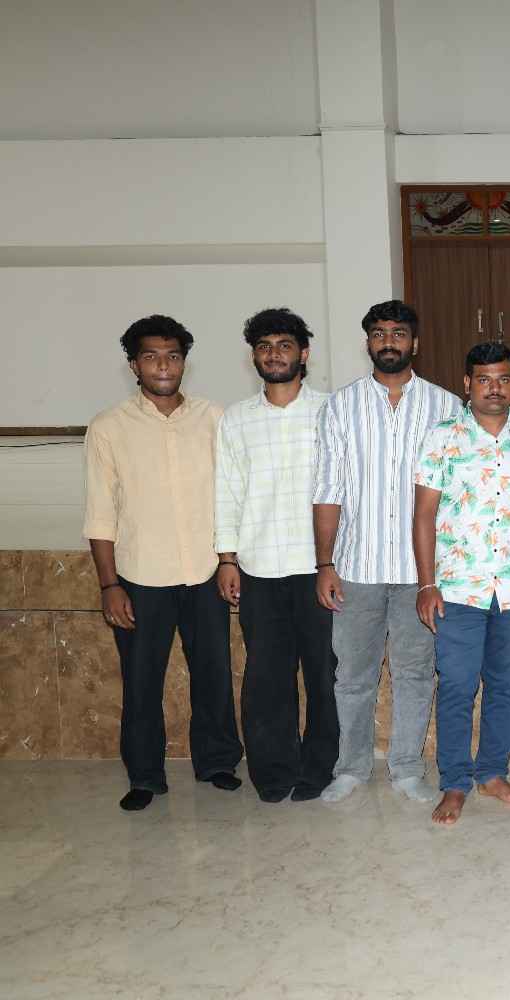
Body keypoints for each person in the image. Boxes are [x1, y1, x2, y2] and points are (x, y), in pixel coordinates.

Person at [84, 315, 242, 811]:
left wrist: (228, 559)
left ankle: (217, 762)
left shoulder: (214, 418)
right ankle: (145, 776)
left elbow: (230, 496)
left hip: (205, 572)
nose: (163, 366)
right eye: (151, 357)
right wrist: (110, 585)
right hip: (139, 577)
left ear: (184, 362)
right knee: (141, 681)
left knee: (213, 674)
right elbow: (100, 512)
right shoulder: (109, 427)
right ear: (134, 365)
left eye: (172, 356)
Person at [313, 300, 461, 804]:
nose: (388, 341)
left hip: (421, 573)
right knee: (352, 677)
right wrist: (325, 563)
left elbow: (455, 495)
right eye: (379, 333)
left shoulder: (446, 407)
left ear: (414, 342)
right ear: (368, 343)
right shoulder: (341, 406)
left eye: (398, 333)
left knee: (415, 675)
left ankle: (406, 769)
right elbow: (327, 489)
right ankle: (351, 768)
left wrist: (441, 573)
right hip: (356, 567)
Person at [414, 342, 510, 826]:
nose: (493, 388)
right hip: (457, 588)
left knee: (503, 686)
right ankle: (455, 782)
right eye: (483, 379)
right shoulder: (442, 437)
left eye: (503, 379)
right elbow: (424, 515)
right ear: (467, 384)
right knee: (456, 685)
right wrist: (426, 585)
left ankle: (493, 773)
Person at [215, 307, 336, 803]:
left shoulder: (331, 411)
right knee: (267, 677)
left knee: (324, 676)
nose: (273, 354)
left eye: (284, 345)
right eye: (264, 347)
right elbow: (226, 492)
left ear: (304, 353)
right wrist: (227, 558)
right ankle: (273, 771)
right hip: (259, 568)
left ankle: (319, 768)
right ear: (254, 357)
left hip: (319, 568)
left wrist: (336, 562)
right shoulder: (236, 419)